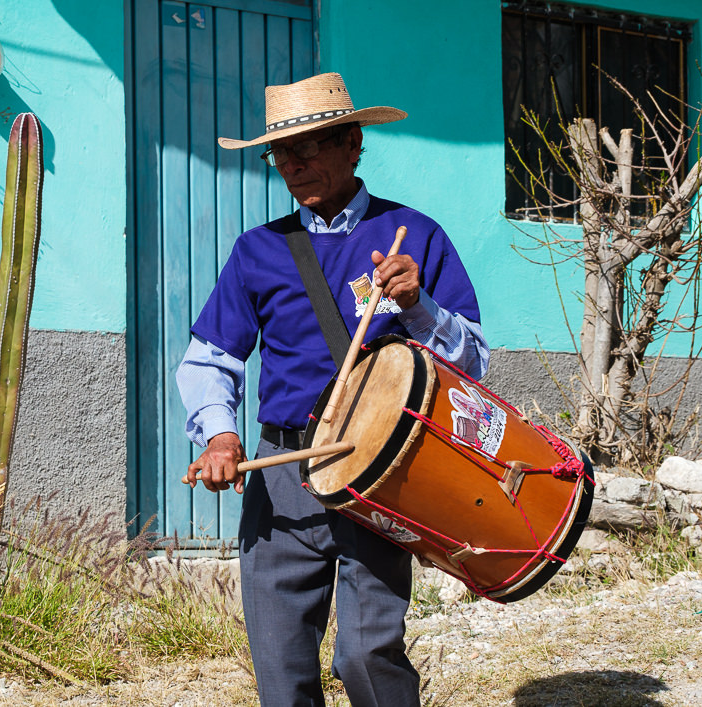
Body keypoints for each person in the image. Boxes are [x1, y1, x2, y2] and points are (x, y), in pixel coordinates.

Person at [176, 72, 489, 707]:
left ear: (352, 144)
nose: (292, 166)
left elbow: (475, 363)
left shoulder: (414, 236)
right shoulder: (257, 251)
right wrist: (220, 435)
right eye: (280, 154)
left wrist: (419, 306)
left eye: (308, 148)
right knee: (279, 655)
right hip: (283, 472)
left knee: (367, 651)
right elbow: (208, 358)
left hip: (378, 466)